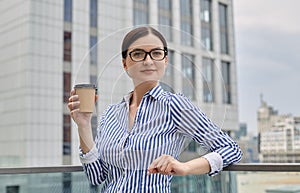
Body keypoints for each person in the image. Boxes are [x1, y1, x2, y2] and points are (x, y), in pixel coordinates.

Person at [68, 26, 242, 192]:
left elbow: (231, 149)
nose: (148, 61)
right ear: (125, 64)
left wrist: (185, 167)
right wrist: (83, 125)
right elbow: (96, 177)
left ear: (165, 61)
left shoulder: (175, 106)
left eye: (156, 53)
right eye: (138, 54)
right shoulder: (111, 114)